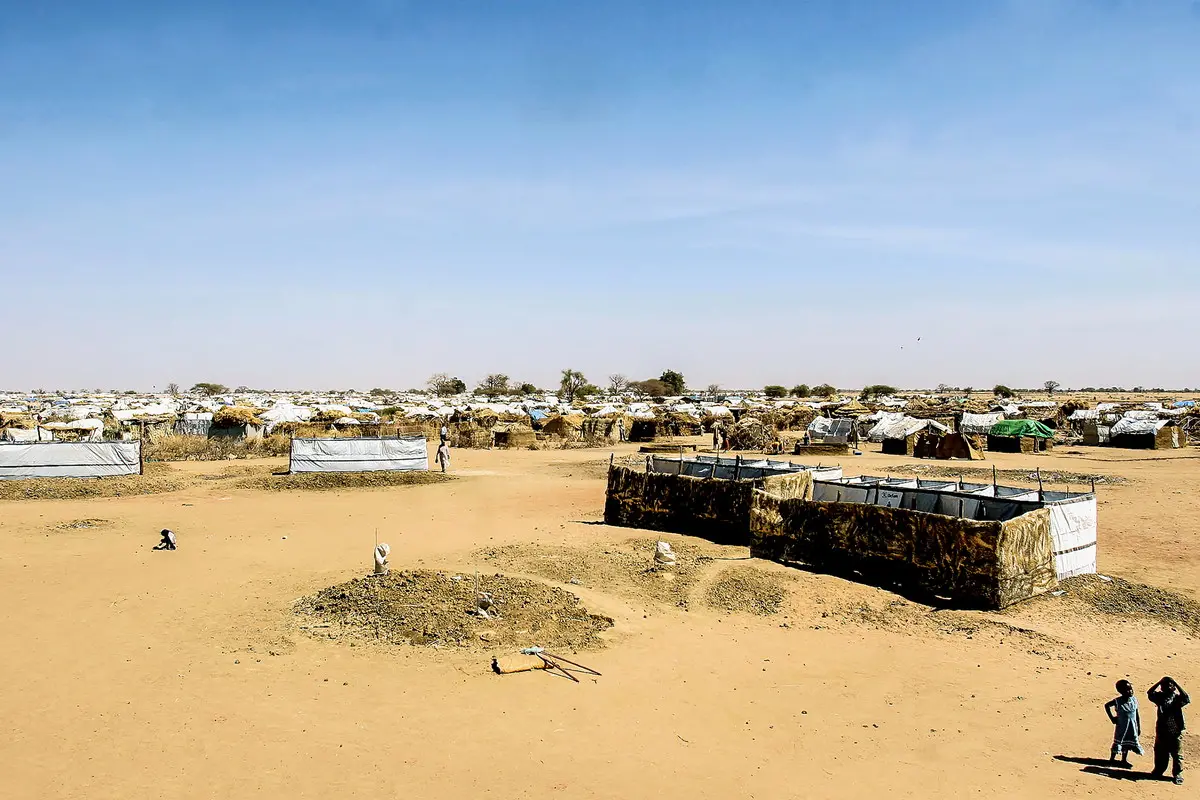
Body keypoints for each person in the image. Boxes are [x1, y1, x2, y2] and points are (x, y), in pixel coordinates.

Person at [1148, 676, 1189, 784]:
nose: (1166, 688)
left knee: (1177, 753)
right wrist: (1159, 682)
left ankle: (1177, 773)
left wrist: (1176, 683)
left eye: (1169, 686)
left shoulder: (1177, 699)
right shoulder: (1160, 697)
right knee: (1160, 752)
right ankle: (1159, 770)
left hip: (1176, 729)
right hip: (1162, 729)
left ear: (1174, 688)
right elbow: (1150, 693)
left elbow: (1186, 698)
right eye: (1164, 686)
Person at [1105, 680, 1143, 766]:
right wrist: (1112, 718)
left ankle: (1124, 760)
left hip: (1132, 727)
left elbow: (1137, 715)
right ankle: (1112, 759)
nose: (1130, 691)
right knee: (1118, 742)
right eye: (1127, 690)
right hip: (1122, 727)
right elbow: (1107, 706)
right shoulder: (1118, 701)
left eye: (1130, 689)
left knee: (1127, 743)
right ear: (1121, 692)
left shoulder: (1134, 700)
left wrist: (1138, 727)